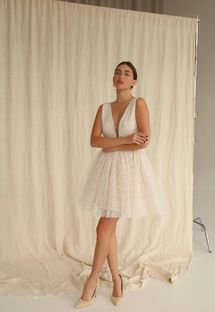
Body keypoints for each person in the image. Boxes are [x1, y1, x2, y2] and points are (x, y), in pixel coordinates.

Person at [75, 61, 165, 308]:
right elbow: (94, 141)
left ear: (134, 81)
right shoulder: (103, 108)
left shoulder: (139, 104)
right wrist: (125, 138)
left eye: (126, 73)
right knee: (109, 229)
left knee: (103, 228)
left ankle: (91, 283)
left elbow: (143, 143)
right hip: (106, 171)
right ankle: (117, 280)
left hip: (128, 171)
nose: (120, 76)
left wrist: (111, 143)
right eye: (117, 72)